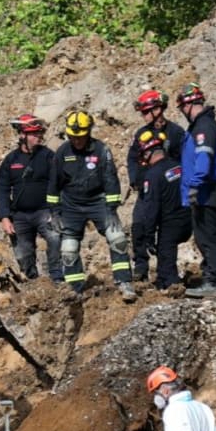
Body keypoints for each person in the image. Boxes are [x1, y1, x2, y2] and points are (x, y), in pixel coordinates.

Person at [47, 109, 136, 302]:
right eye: (73, 137)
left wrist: (112, 208)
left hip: (98, 201)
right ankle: (75, 290)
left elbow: (110, 179)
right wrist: (54, 212)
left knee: (117, 238)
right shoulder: (62, 152)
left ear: (88, 132)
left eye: (80, 137)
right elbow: (53, 184)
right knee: (69, 249)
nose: (77, 141)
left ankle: (124, 282)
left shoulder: (101, 150)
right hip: (71, 204)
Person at [177, 83, 216, 298]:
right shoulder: (205, 125)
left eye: (182, 108)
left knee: (208, 236)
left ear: (188, 105)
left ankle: (214, 282)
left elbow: (203, 159)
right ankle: (211, 278)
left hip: (208, 190)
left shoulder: (204, 126)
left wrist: (194, 185)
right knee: (203, 235)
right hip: (208, 188)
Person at [127, 90, 185, 282]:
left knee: (168, 233)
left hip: (170, 190)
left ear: (158, 109)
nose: (144, 117)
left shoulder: (176, 133)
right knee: (139, 225)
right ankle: (141, 266)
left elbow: (183, 161)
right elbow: (132, 159)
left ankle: (167, 274)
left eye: (146, 112)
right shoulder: (142, 134)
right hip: (148, 188)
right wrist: (136, 180)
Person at [0, 114, 62, 281]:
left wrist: (58, 211)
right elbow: (2, 188)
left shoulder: (48, 156)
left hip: (44, 211)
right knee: (24, 252)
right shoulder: (11, 160)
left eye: (39, 133)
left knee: (55, 239)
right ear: (22, 135)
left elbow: (61, 183)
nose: (38, 137)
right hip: (19, 216)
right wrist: (4, 217)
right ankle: (33, 282)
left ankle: (57, 278)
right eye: (34, 134)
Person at [134, 130, 192, 290]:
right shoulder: (179, 166)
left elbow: (151, 208)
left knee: (165, 265)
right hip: (189, 219)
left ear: (148, 153)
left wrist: (149, 235)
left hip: (170, 224)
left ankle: (171, 287)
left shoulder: (152, 175)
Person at [146, 366, 216, 431]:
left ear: (165, 391)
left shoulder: (173, 410)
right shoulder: (204, 408)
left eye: (156, 394)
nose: (155, 399)